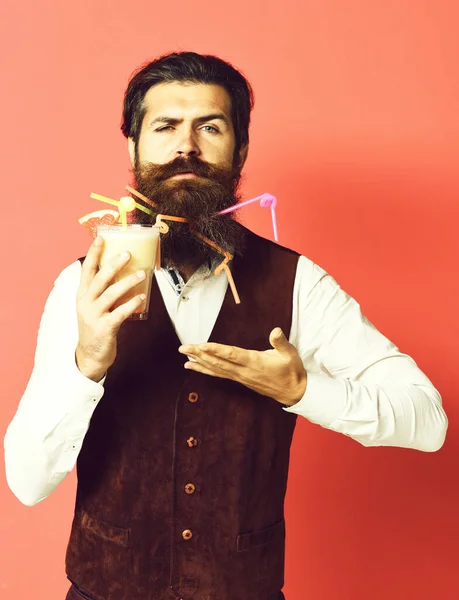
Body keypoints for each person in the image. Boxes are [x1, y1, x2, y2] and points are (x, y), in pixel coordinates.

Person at [4, 52, 447, 600]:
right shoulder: (81, 287)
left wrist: (304, 391)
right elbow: (26, 483)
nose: (185, 145)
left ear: (240, 150)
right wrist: (86, 363)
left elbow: (429, 422)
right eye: (164, 126)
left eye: (209, 127)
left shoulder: (296, 283)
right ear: (134, 148)